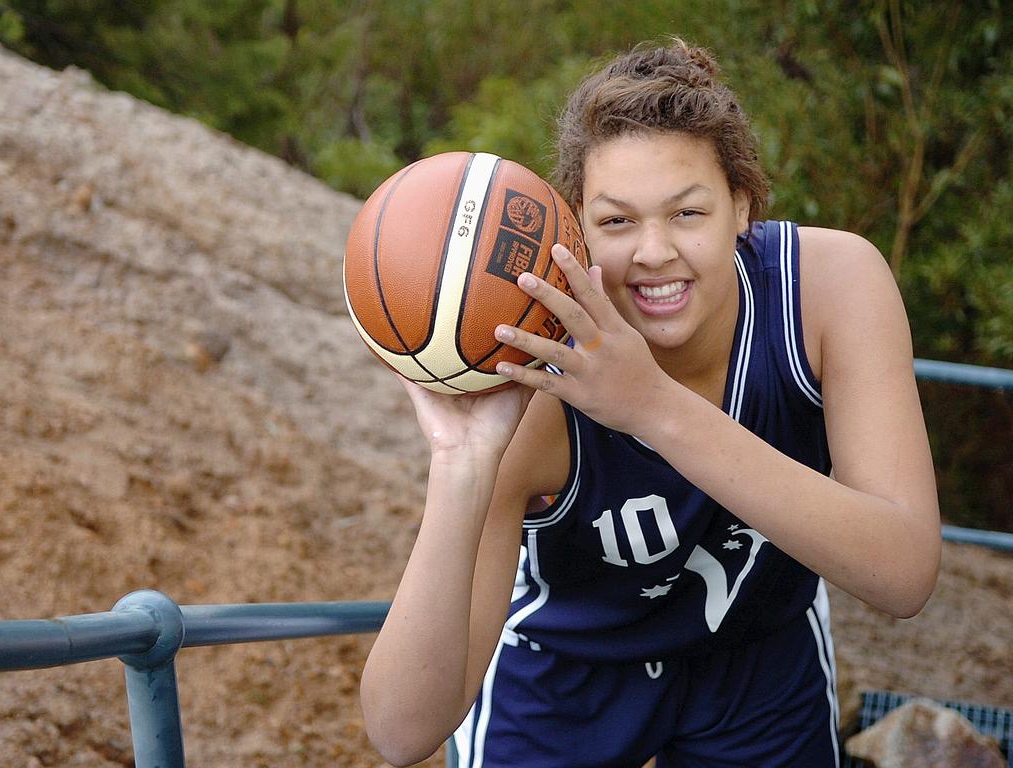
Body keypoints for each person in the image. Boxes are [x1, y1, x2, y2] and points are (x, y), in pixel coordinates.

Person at [360, 38, 940, 768]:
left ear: (742, 205)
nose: (654, 251)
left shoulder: (828, 289)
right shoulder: (533, 378)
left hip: (755, 653)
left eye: (688, 213)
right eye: (617, 221)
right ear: (572, 227)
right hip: (567, 666)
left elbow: (905, 572)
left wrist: (651, 407)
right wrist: (462, 461)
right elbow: (400, 731)